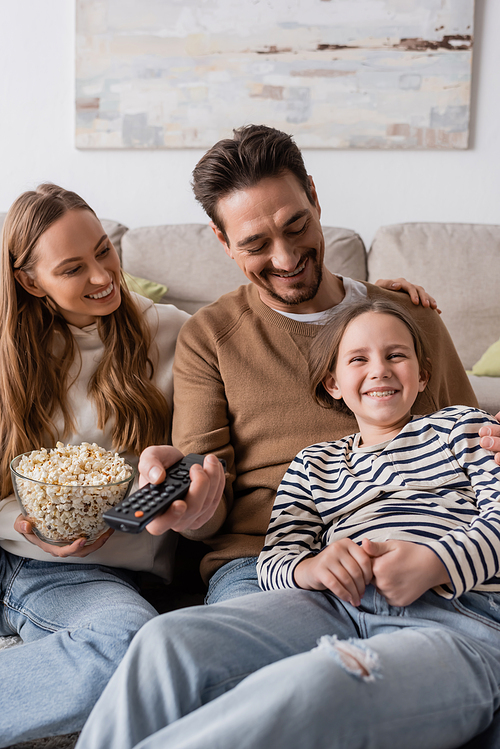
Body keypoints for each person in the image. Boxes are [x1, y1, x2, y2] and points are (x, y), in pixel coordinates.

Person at [75, 297, 500, 749]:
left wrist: (437, 562)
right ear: (333, 383)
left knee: (321, 682)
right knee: (166, 639)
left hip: (456, 621)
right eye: (359, 359)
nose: (379, 369)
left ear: (424, 374)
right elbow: (277, 558)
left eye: (396, 355)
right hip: (331, 605)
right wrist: (311, 569)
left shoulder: (464, 429)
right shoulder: (314, 464)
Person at [139, 123, 482, 605]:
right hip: (264, 562)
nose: (284, 257)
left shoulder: (410, 318)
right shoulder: (210, 336)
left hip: (410, 550)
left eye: (296, 226)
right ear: (222, 240)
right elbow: (211, 509)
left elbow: (476, 447)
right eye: (255, 245)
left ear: (315, 200)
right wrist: (194, 507)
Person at [0, 184, 225, 747]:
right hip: (24, 552)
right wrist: (20, 524)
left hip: (95, 571)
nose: (103, 276)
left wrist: (374, 298)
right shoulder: (9, 351)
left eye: (105, 251)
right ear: (30, 281)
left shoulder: (176, 333)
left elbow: (267, 323)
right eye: (73, 267)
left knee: (133, 642)